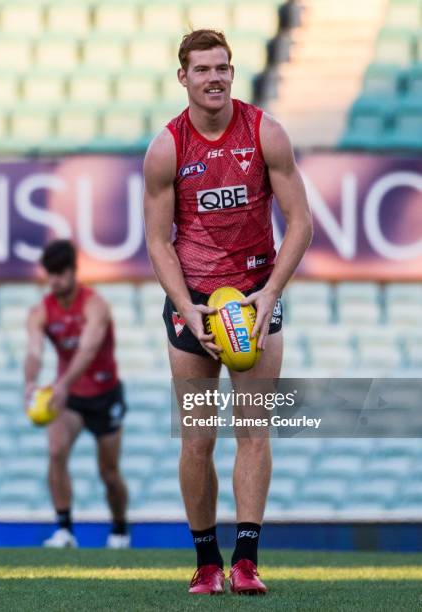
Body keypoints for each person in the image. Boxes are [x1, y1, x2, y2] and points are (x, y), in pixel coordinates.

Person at [143, 30, 312, 595]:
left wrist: (270, 293)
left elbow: (301, 222)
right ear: (183, 77)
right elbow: (159, 241)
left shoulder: (265, 132)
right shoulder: (167, 147)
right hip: (193, 304)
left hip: (256, 298)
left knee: (254, 434)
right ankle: (206, 563)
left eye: (223, 68)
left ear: (232, 73)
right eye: (203, 70)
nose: (214, 78)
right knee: (196, 438)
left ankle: (246, 562)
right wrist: (189, 311)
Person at [24, 239, 130, 549]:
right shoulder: (40, 311)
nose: (54, 280)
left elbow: (88, 350)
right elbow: (33, 351)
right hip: (69, 398)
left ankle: (120, 530)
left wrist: (62, 383)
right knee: (56, 452)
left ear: (73, 271)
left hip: (104, 394)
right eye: (50, 274)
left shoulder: (95, 305)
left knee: (109, 473)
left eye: (60, 273)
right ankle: (64, 529)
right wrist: (30, 383)